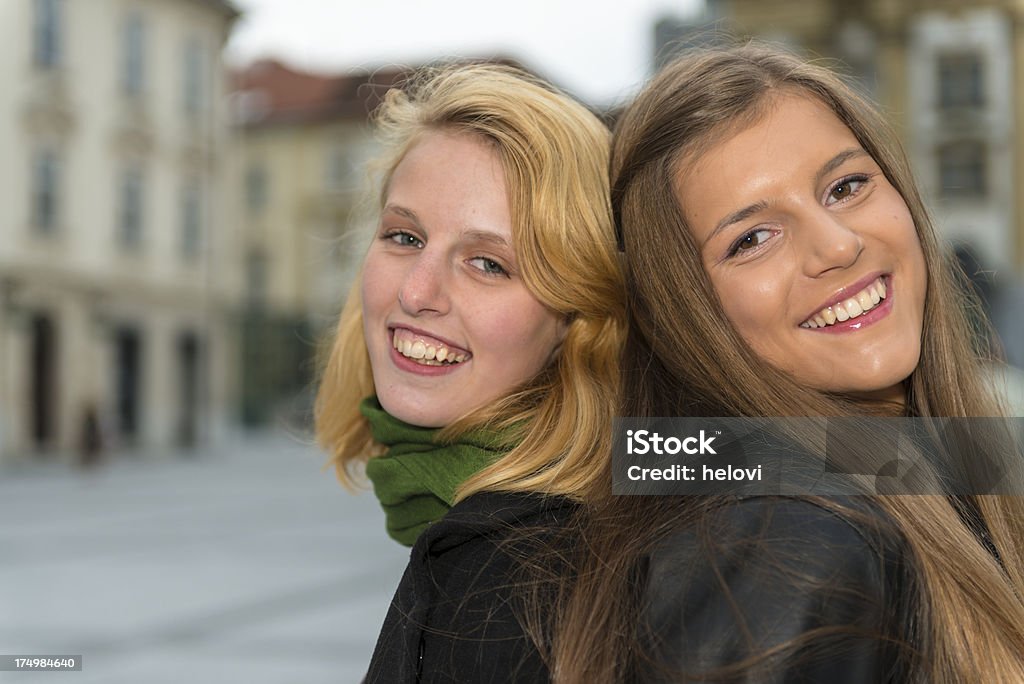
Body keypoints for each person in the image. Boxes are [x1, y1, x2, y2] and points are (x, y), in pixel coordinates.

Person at [547, 43, 1024, 682]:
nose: (837, 244)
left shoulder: (936, 459)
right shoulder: (784, 541)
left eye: (846, 186)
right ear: (679, 313)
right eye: (751, 239)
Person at [314, 63, 623, 682]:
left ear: (575, 318)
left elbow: (863, 454)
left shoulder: (514, 570)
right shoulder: (480, 525)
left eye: (487, 263)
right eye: (404, 237)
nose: (418, 291)